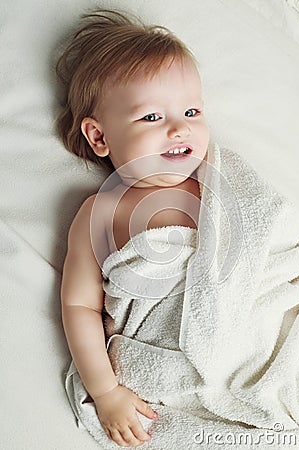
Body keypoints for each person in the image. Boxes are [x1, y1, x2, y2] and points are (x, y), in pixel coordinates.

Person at [56, 8, 210, 448]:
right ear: (100, 137)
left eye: (192, 110)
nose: (180, 127)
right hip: (164, 356)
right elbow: (80, 308)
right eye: (152, 118)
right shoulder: (99, 212)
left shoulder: (220, 186)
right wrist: (106, 393)